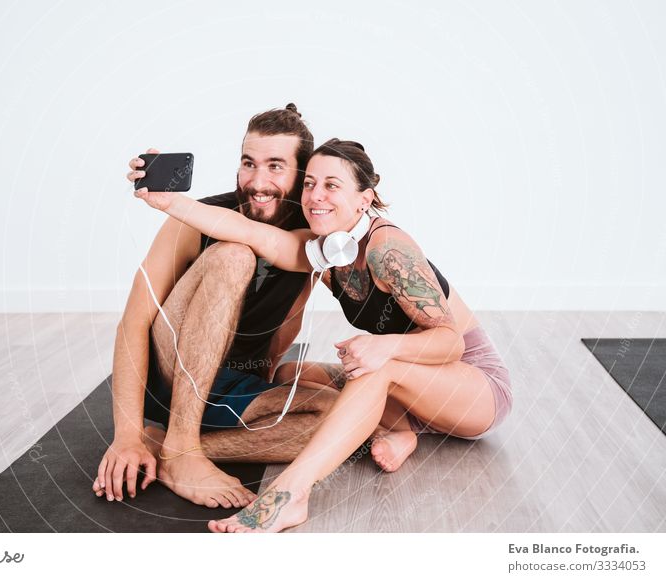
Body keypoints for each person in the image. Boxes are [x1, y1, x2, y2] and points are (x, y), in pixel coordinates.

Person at [133, 138, 513, 532]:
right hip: (415, 386)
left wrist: (384, 346)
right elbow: (251, 233)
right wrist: (168, 202)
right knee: (290, 373)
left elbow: (450, 342)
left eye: (332, 185)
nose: (316, 195)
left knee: (376, 372)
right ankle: (399, 432)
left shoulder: (388, 250)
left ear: (364, 200)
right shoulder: (329, 252)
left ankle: (289, 496)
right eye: (310, 183)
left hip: (472, 386)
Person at [92, 105, 340, 510]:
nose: (258, 182)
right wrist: (126, 435)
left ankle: (172, 449)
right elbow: (133, 323)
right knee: (234, 255)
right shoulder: (195, 219)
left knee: (338, 419)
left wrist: (266, 385)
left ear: (301, 175)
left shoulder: (311, 235)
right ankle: (183, 443)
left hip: (228, 386)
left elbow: (290, 317)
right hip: (171, 373)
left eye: (276, 166)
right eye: (248, 164)